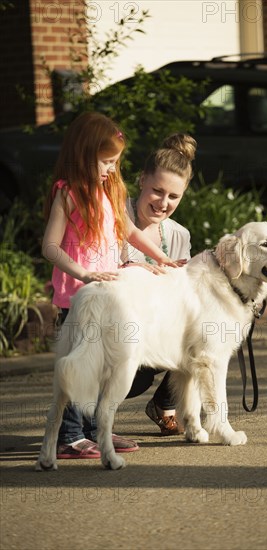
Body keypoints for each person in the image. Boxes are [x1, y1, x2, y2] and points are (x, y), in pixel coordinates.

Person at [42, 112, 184, 459]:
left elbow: (131, 232)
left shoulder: (109, 193)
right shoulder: (68, 194)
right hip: (76, 297)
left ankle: (96, 429)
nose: (110, 168)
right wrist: (84, 273)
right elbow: (50, 247)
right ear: (83, 154)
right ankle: (70, 435)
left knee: (104, 366)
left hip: (108, 298)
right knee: (81, 364)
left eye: (114, 162)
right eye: (105, 161)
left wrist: (161, 258)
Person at [122, 133, 197, 435]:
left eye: (174, 197)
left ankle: (165, 403)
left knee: (204, 333)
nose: (163, 203)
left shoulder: (178, 234)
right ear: (142, 180)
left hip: (156, 330)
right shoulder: (113, 215)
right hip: (116, 329)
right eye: (157, 191)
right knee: (131, 382)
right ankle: (86, 418)